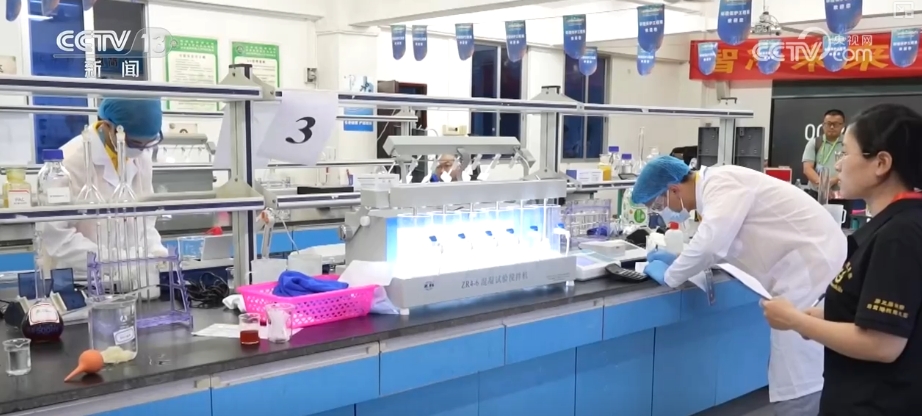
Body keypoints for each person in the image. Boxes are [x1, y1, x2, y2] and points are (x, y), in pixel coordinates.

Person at [631, 156, 847, 416]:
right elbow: (725, 240)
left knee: (796, 364)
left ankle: (801, 409)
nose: (662, 211)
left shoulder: (721, 184)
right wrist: (680, 259)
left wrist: (670, 275)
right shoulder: (716, 188)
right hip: (804, 265)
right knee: (796, 358)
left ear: (673, 189)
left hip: (810, 268)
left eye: (658, 204)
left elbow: (710, 244)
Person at [762, 103, 922, 415]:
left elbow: (882, 344)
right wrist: (822, 317)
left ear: (881, 163)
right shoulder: (892, 226)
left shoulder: (899, 235)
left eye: (845, 154)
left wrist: (795, 320)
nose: (837, 165)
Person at [40, 98, 168, 299]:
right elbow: (58, 238)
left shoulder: (141, 157)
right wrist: (116, 262)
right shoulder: (67, 162)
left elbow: (146, 220)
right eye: (134, 143)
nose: (141, 150)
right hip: (80, 284)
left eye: (148, 143)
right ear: (108, 127)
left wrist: (157, 255)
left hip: (133, 284)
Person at [803, 109, 846, 192]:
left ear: (843, 126)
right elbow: (807, 168)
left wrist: (835, 180)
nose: (832, 127)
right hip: (816, 192)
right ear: (823, 125)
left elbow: (853, 169)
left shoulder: (849, 143)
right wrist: (822, 185)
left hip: (842, 194)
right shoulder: (814, 143)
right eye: (829, 124)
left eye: (836, 124)